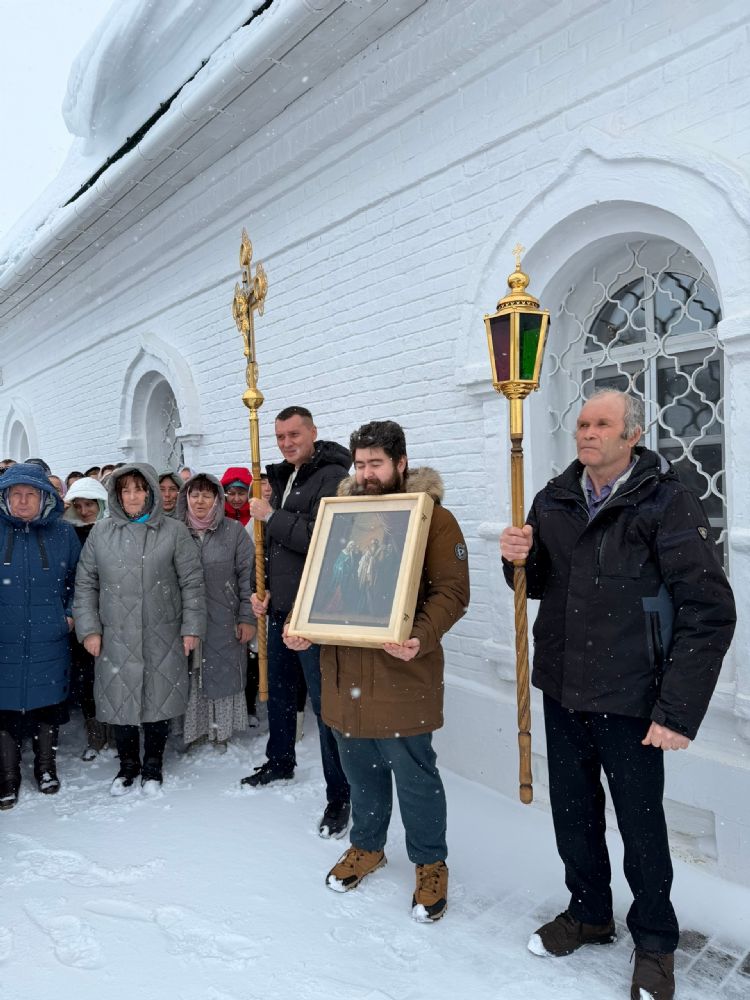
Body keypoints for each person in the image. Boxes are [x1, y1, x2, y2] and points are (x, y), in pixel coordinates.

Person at [499, 389, 736, 1000]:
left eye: (602, 424)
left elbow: (708, 609)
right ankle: (589, 913)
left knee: (640, 825)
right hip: (564, 687)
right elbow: (541, 584)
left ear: (632, 434)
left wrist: (677, 710)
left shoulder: (665, 500)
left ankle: (655, 942)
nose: (587, 432)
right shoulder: (554, 497)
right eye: (582, 423)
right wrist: (517, 559)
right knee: (573, 814)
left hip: (632, 694)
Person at [284, 420, 469, 922]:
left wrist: (420, 634)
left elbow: (453, 591)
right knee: (359, 769)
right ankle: (367, 846)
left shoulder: (432, 518)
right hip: (344, 670)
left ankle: (430, 862)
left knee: (414, 774)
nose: (366, 474)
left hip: (401, 671)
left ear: (400, 463)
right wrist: (302, 624)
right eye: (360, 464)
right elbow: (321, 583)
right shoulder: (340, 517)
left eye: (376, 464)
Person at [241, 406, 352, 840]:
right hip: (282, 609)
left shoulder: (332, 476)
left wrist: (271, 515)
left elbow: (321, 536)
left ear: (313, 432)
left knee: (326, 708)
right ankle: (280, 760)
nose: (286, 443)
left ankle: (339, 794)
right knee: (281, 694)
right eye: (280, 437)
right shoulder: (285, 476)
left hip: (317, 612)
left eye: (294, 434)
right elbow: (274, 549)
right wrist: (263, 588)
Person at [73, 464, 205, 795]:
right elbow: (86, 584)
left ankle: (153, 764)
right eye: (125, 490)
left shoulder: (173, 531)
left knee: (158, 699)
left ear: (150, 492)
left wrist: (191, 628)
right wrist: (89, 630)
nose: (132, 496)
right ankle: (128, 765)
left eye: (139, 489)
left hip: (162, 632)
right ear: (117, 495)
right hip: (115, 634)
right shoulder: (102, 533)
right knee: (121, 701)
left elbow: (192, 583)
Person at [0, 463, 81, 807]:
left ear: (44, 497)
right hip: (4, 637)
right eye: (15, 494)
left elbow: (80, 580)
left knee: (48, 705)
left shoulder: (63, 534)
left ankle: (46, 767)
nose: (22, 501)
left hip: (50, 635)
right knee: (4, 707)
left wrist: (70, 614)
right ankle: (7, 775)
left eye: (30, 494)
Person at [176, 473, 256, 751]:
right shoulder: (175, 531)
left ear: (217, 500)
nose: (200, 501)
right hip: (184, 618)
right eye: (194, 495)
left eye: (207, 495)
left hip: (224, 617)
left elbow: (248, 578)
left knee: (221, 672)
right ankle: (193, 730)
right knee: (191, 673)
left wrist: (247, 617)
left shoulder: (233, 532)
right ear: (186, 498)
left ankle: (221, 730)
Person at [63, 477, 110, 760]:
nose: (84, 511)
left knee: (112, 674)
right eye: (78, 505)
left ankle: (116, 728)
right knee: (86, 676)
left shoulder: (113, 529)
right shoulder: (69, 534)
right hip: (82, 612)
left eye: (90, 504)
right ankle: (95, 731)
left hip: (113, 611)